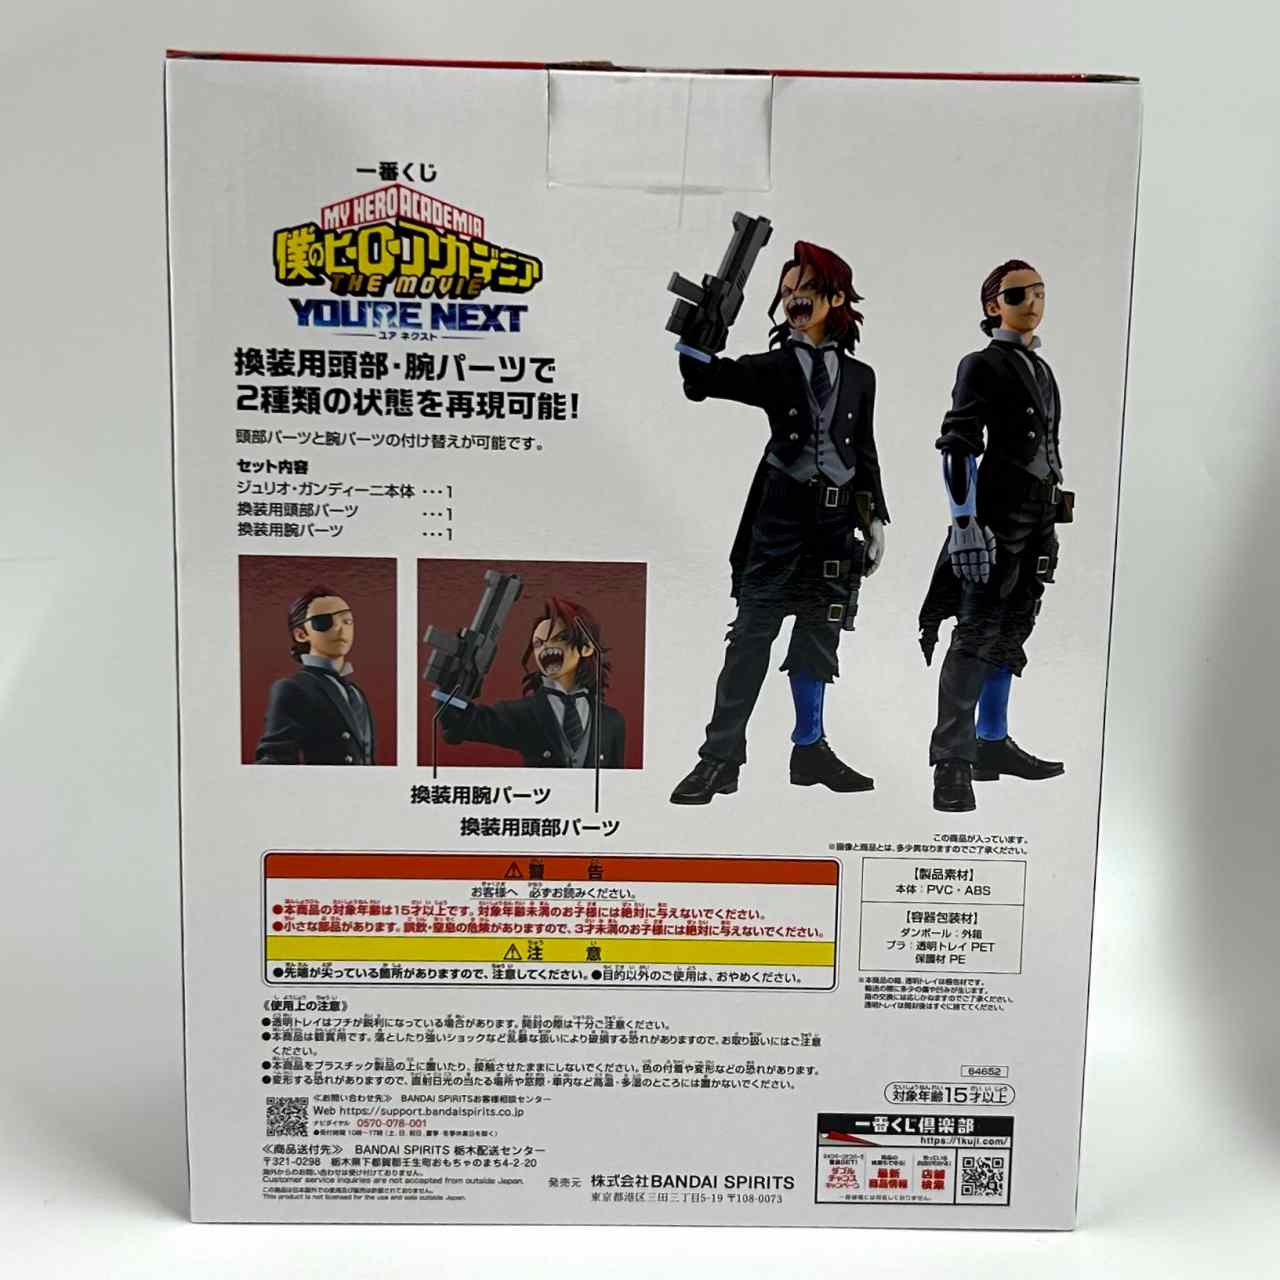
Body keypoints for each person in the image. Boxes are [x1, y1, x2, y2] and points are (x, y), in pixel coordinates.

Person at [668, 240, 889, 805]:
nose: (794, 300)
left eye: (807, 290)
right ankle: (720, 758)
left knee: (819, 633)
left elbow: (863, 449)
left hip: (836, 523)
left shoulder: (860, 377)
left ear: (836, 299)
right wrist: (703, 326)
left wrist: (875, 519)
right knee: (751, 636)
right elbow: (702, 381)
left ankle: (809, 748)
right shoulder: (773, 367)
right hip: (780, 518)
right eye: (787, 292)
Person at [921, 259, 1070, 813]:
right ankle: (951, 761)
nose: (1032, 302)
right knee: (976, 633)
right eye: (1017, 294)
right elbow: (959, 444)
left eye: (1039, 292)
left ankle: (992, 742)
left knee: (1013, 628)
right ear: (992, 306)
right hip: (996, 517)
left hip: (1039, 518)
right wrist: (964, 522)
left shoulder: (1043, 369)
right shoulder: (980, 363)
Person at [438, 595, 626, 768]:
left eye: (560, 638)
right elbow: (458, 725)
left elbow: (617, 782)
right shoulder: (524, 713)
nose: (547, 647)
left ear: (586, 648)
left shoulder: (612, 721)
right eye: (538, 643)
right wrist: (455, 679)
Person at [255, 586, 376, 765]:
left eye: (347, 621)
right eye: (324, 621)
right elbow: (274, 761)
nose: (340, 629)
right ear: (301, 634)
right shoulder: (292, 688)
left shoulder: (356, 693)